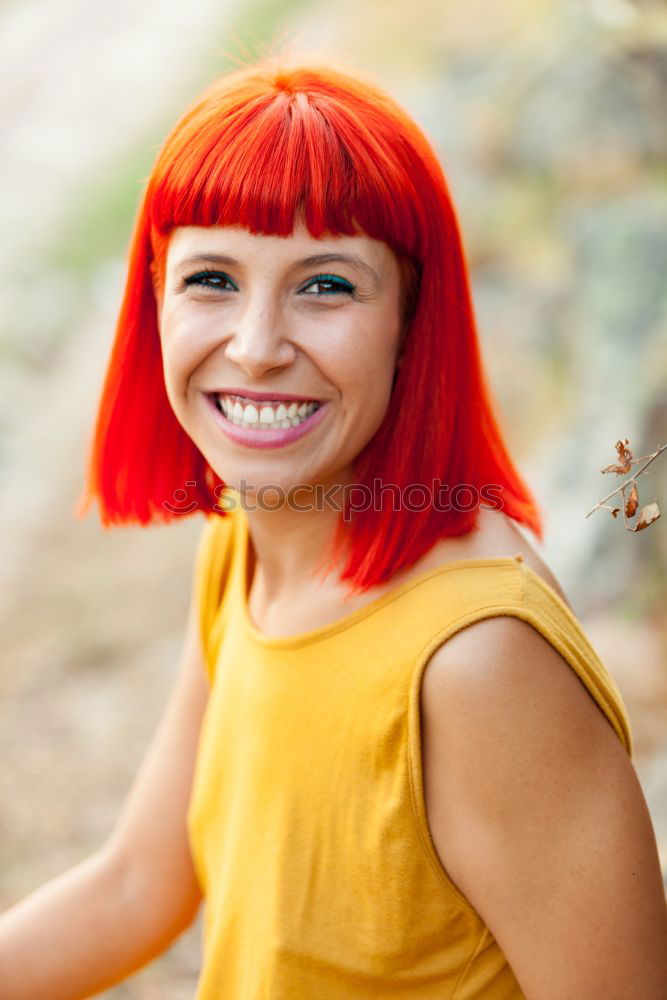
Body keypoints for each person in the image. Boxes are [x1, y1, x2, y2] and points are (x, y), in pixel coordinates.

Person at [1, 55, 666, 1000]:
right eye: (211, 279)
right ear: (153, 301)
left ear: (410, 321)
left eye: (325, 286)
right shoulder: (243, 541)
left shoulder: (479, 662)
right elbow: (136, 886)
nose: (258, 346)